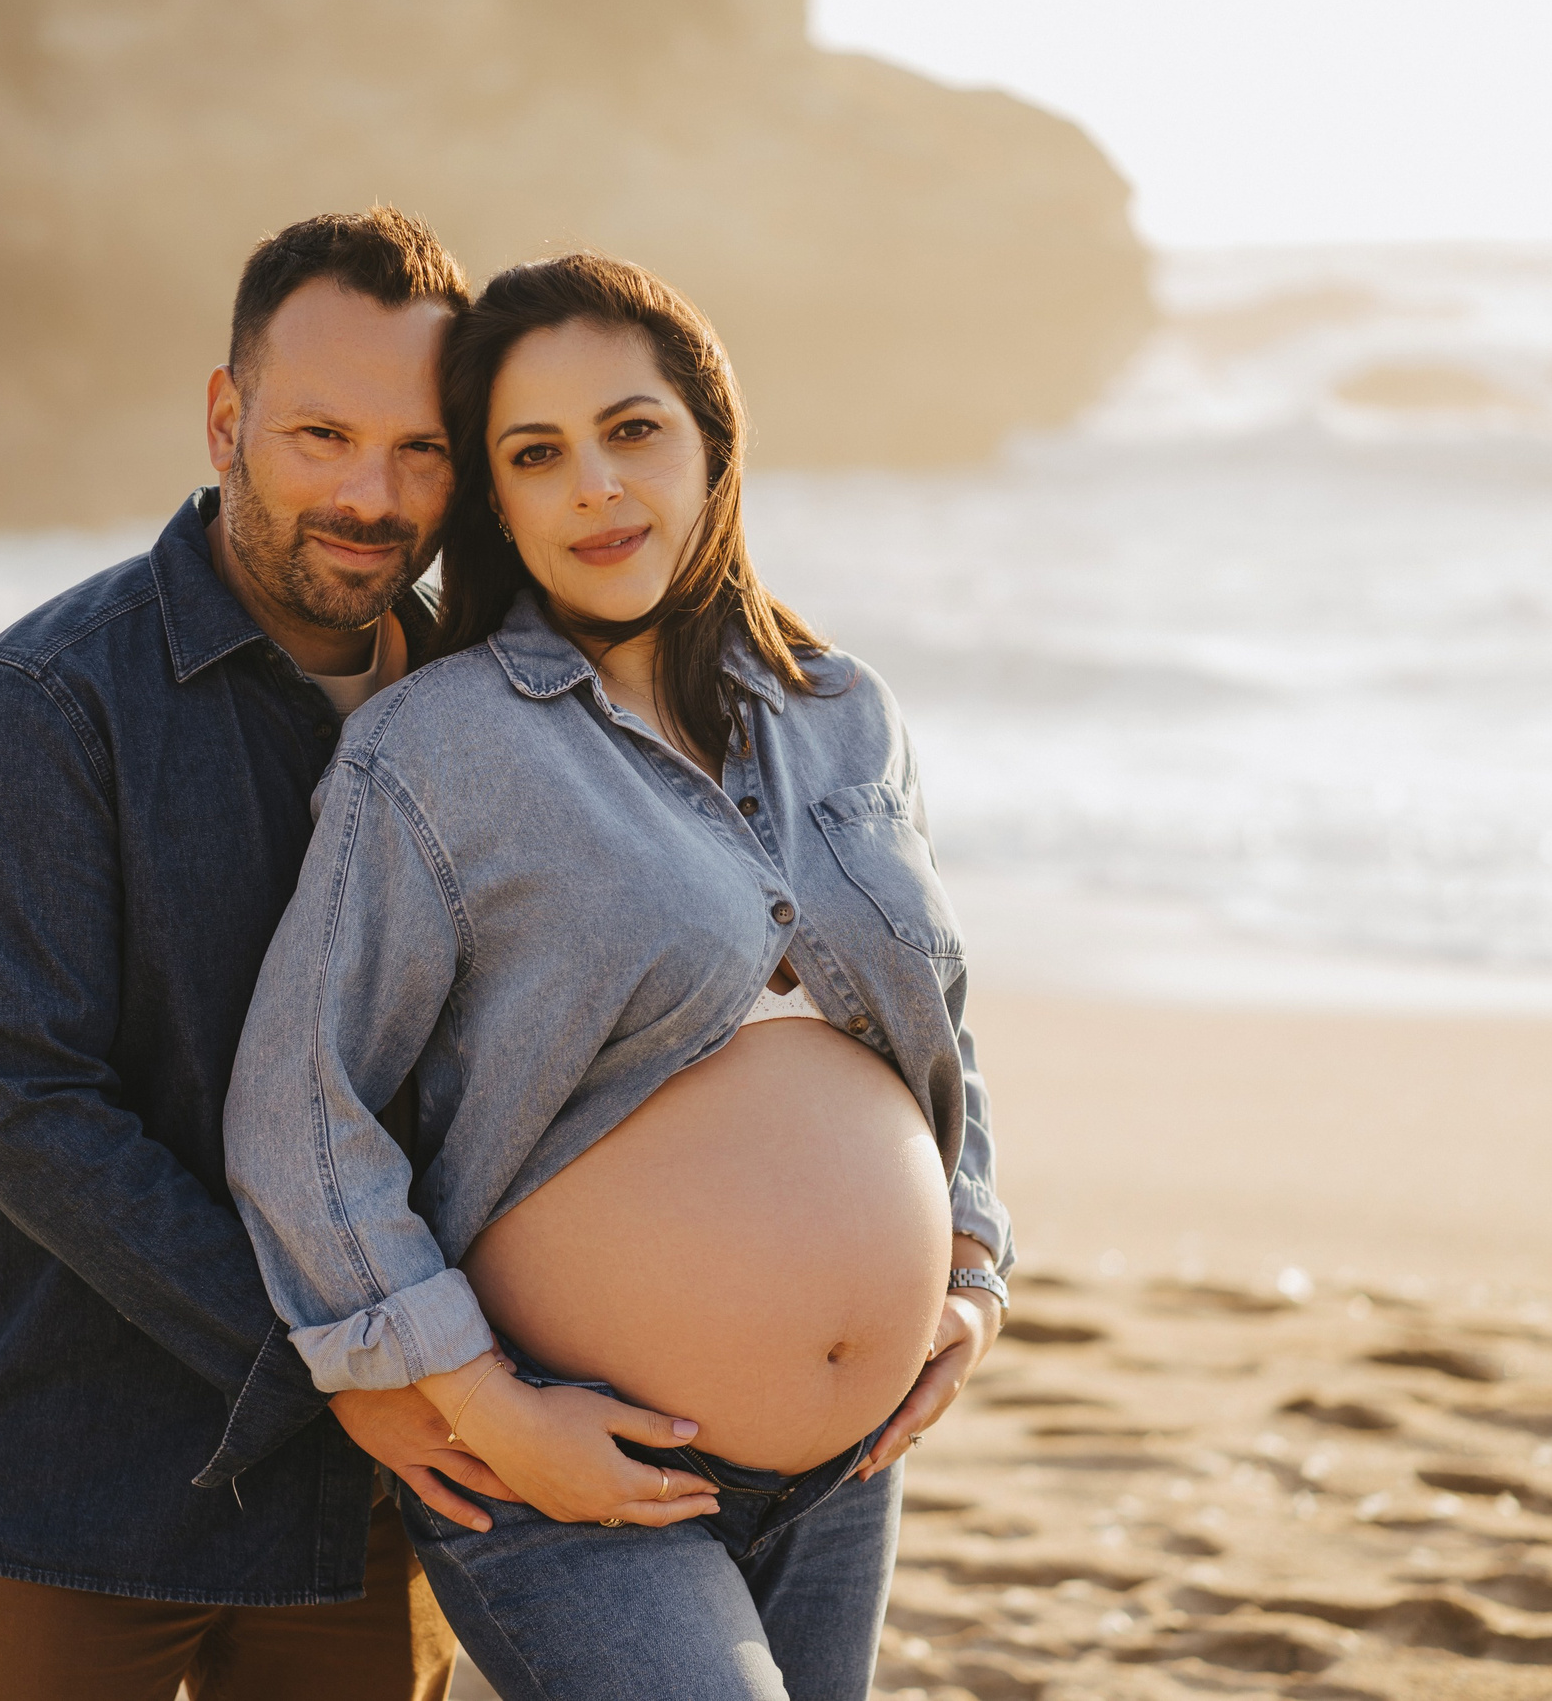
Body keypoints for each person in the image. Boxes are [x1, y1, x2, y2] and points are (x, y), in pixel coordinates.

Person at [225, 252, 1014, 1700]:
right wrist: (474, 1397)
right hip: (565, 1473)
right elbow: (296, 1098)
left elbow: (935, 1025)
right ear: (496, 502)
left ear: (712, 439)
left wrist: (970, 1271)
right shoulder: (440, 750)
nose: (595, 486)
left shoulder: (843, 714)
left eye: (633, 430)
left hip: (849, 1470)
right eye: (538, 456)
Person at [0, 208, 516, 1701]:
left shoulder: (493, 714)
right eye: (321, 436)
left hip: (374, 1501)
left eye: (421, 451)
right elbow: (26, 1106)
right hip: (72, 1474)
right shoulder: (46, 702)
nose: (372, 497)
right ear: (228, 416)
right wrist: (341, 1362)